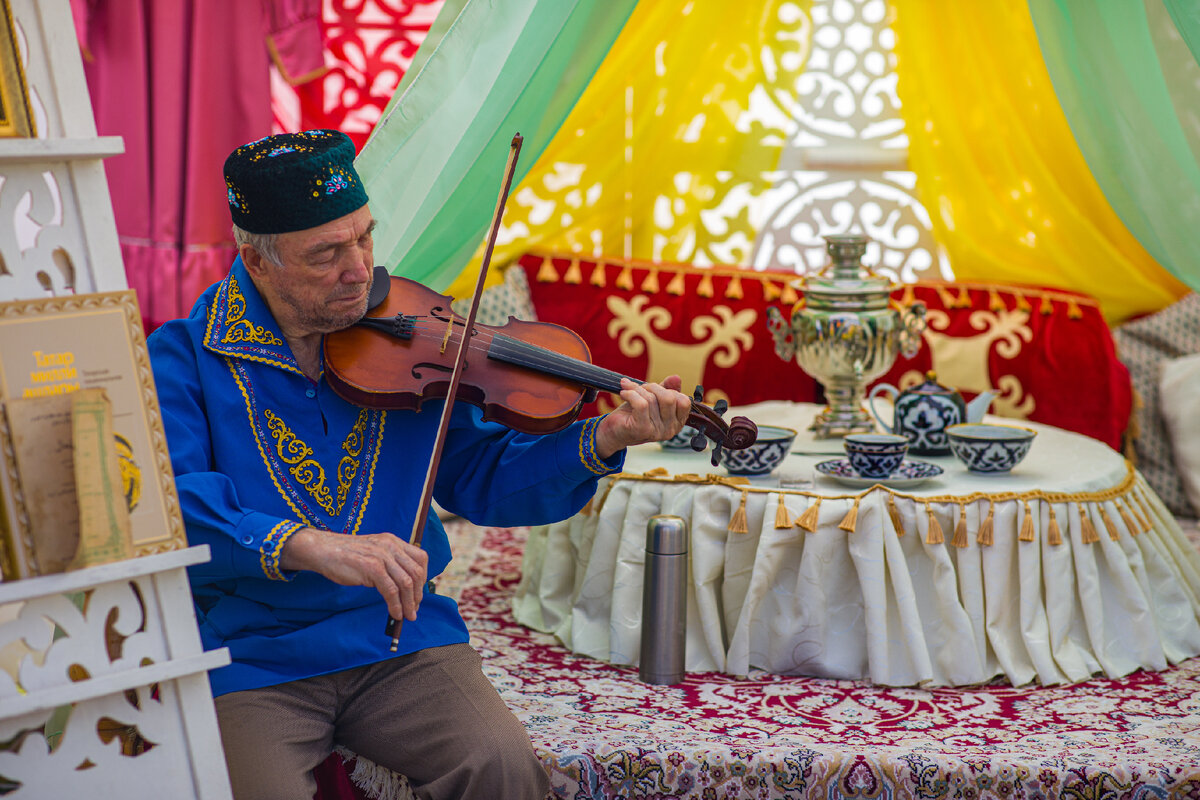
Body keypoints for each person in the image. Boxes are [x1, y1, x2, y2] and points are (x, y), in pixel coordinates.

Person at [146, 129, 692, 799]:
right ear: (257, 263)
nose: (358, 269)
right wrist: (312, 547)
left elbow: (483, 477)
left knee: (501, 766)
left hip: (397, 639)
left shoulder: (412, 335)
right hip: (252, 651)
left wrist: (602, 437)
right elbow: (175, 510)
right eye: (325, 253)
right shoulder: (183, 358)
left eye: (364, 238)